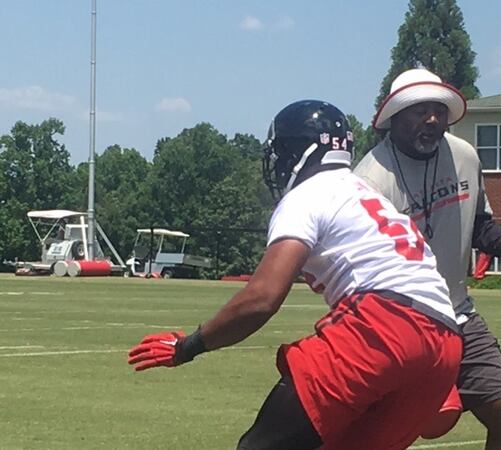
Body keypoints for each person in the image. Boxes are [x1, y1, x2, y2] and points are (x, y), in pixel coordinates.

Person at [128, 100, 462, 450]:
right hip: (445, 344)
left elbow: (262, 298)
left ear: (296, 152)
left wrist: (189, 346)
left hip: (384, 328)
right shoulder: (368, 195)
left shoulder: (309, 194)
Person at [354, 68, 501, 450]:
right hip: (394, 322)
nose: (431, 119)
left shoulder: (464, 156)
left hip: (457, 313)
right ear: (393, 118)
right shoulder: (369, 180)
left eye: (438, 110)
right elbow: (362, 270)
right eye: (419, 110)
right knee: (380, 434)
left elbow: (479, 227)